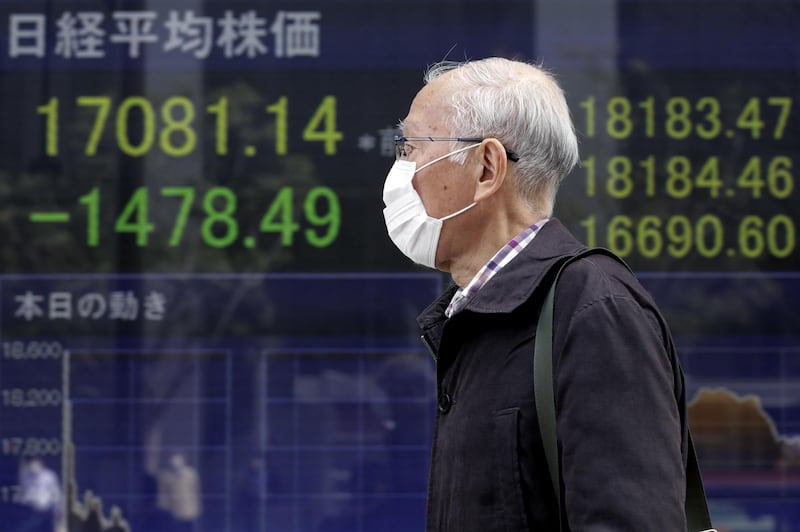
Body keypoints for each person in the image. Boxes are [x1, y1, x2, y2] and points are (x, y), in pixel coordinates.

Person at [382, 57, 688, 530]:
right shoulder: (476, 315)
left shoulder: (592, 310)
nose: (401, 170)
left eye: (412, 146)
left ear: (486, 166)